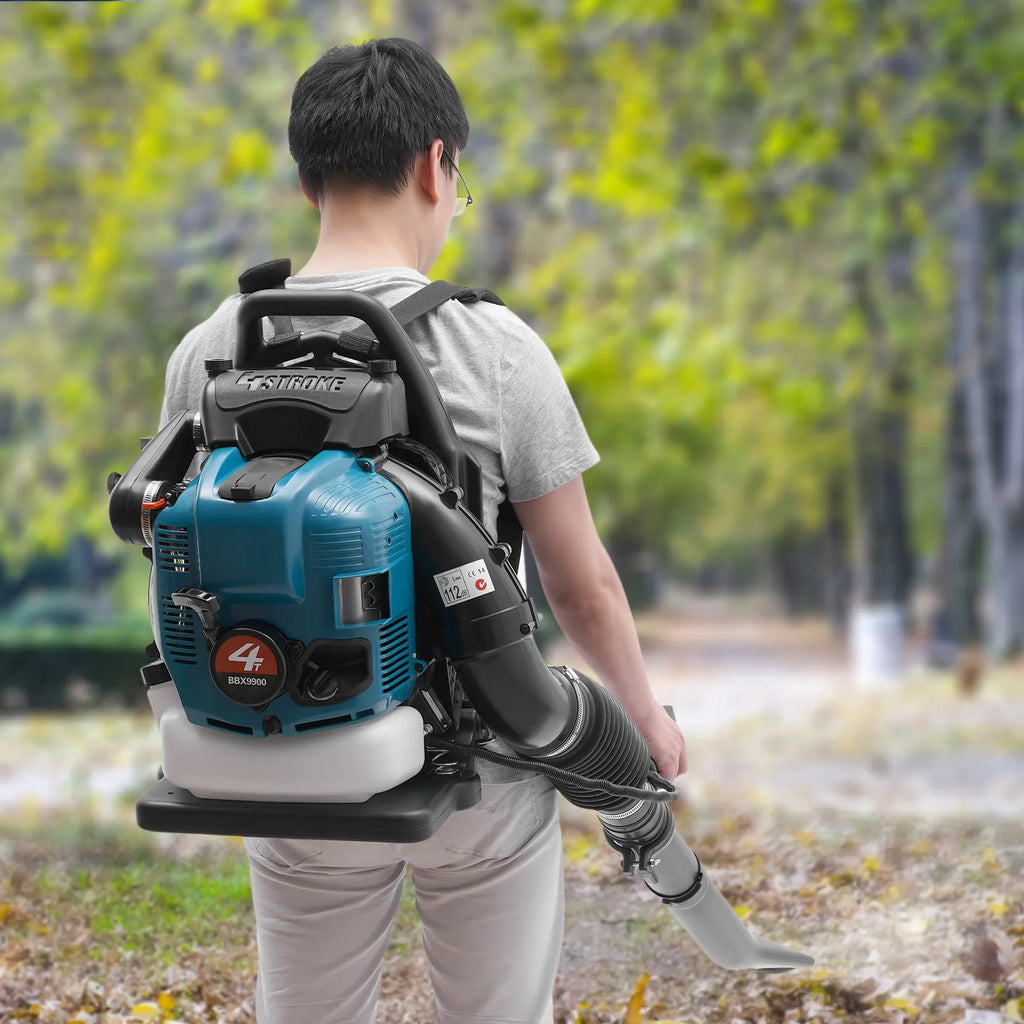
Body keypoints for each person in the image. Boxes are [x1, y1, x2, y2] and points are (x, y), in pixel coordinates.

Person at [157, 37, 687, 1024]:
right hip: (477, 775)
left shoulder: (213, 349)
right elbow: (580, 588)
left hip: (287, 766)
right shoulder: (493, 346)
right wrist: (643, 723)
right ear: (436, 164)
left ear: (307, 177)